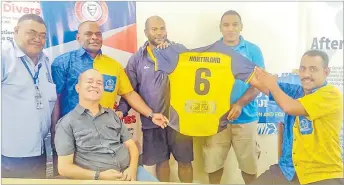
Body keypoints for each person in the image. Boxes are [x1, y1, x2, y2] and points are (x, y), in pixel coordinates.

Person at [51, 21, 168, 176]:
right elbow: (55, 99)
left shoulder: (114, 66)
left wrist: (152, 115)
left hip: (107, 136)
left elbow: (129, 94)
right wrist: (55, 131)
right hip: (75, 139)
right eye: (88, 34)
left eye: (98, 34)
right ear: (78, 38)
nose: (94, 37)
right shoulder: (63, 62)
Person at [117, 16, 194, 183]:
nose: (159, 33)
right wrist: (120, 112)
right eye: (154, 29)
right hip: (153, 121)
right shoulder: (136, 59)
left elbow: (193, 77)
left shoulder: (179, 50)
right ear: (146, 32)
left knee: (185, 162)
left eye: (162, 28)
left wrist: (169, 53)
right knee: (162, 163)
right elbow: (129, 91)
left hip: (180, 120)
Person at [249, 50, 343, 185]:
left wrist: (272, 84)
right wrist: (244, 69)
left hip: (321, 173)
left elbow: (289, 107)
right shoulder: (297, 91)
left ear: (326, 72)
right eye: (303, 68)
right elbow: (263, 85)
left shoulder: (331, 95)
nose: (306, 74)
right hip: (288, 170)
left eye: (313, 69)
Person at [54, 69, 158, 182]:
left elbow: (131, 146)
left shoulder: (112, 115)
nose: (94, 85)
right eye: (89, 82)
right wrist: (99, 176)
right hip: (95, 179)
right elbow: (64, 168)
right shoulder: (67, 123)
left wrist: (132, 169)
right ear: (78, 88)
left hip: (130, 172)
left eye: (99, 83)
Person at [203, 10, 264, 184]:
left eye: (235, 24)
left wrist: (239, 104)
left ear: (241, 27)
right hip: (216, 120)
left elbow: (259, 85)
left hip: (246, 119)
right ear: (220, 28)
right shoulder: (211, 50)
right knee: (213, 166)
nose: (230, 29)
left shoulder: (253, 51)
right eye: (226, 25)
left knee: (249, 168)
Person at [1, 14, 57, 178]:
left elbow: (50, 98)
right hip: (11, 154)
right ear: (16, 31)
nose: (37, 39)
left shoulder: (45, 60)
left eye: (42, 35)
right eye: (31, 33)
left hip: (39, 150)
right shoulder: (5, 56)